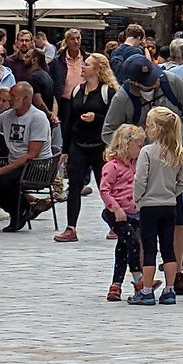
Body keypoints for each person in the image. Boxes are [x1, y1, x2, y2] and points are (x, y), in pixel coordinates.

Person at [101, 55, 183, 295]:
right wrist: (132, 149)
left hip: (171, 163)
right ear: (135, 83)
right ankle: (147, 281)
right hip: (144, 168)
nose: (155, 82)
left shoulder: (172, 82)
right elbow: (108, 132)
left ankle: (176, 275)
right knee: (144, 231)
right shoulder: (123, 98)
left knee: (179, 222)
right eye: (148, 81)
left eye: (154, 77)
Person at [54, 53, 118, 243]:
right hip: (78, 144)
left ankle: (115, 224)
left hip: (100, 146)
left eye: (87, 64)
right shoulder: (77, 90)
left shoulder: (108, 92)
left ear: (98, 69)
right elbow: (69, 120)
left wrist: (96, 118)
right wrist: (65, 150)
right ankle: (71, 228)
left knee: (105, 186)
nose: (83, 67)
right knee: (74, 186)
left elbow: (115, 120)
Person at [128, 106, 183, 306]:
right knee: (168, 248)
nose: (146, 128)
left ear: (157, 128)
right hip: (169, 205)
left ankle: (146, 291)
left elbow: (140, 179)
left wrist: (138, 198)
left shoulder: (147, 152)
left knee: (149, 249)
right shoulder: (178, 152)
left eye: (148, 125)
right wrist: (171, 193)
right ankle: (169, 290)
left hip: (149, 205)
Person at [0, 82, 53, 231]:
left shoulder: (38, 118)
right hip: (15, 165)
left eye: (13, 96)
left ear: (26, 99)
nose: (9, 98)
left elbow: (31, 155)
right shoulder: (7, 116)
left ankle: (19, 212)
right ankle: (22, 208)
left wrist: (0, 170)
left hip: (37, 167)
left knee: (1, 179)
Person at [100, 123, 146, 301]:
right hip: (117, 213)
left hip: (134, 213)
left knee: (123, 247)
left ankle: (116, 284)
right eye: (139, 146)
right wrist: (116, 208)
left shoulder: (136, 164)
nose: (141, 149)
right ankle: (138, 278)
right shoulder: (112, 166)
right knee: (132, 242)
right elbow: (105, 190)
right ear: (126, 145)